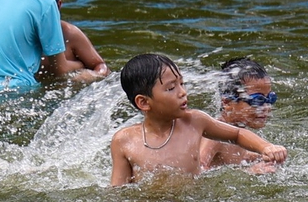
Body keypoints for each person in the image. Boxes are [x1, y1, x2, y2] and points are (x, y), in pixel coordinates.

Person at [110, 53, 287, 185]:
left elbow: (237, 134)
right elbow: (118, 193)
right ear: (143, 102)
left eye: (182, 83)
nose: (183, 92)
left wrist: (265, 147)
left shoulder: (195, 122)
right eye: (172, 88)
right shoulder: (125, 141)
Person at [27, 0, 109, 74]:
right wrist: (77, 65)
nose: (39, 16)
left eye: (46, 9)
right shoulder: (17, 35)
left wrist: (90, 75)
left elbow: (101, 66)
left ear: (58, 6)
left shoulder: (69, 34)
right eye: (33, 9)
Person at [204, 57, 278, 169]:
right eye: (257, 100)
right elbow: (194, 173)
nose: (266, 107)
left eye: (270, 99)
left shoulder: (240, 133)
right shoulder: (213, 136)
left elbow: (234, 157)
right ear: (227, 103)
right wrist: (250, 172)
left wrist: (264, 157)